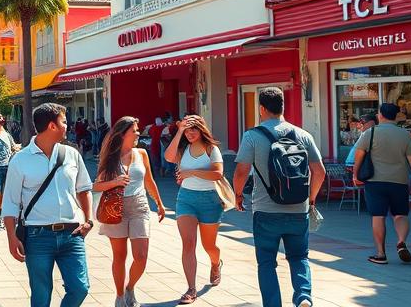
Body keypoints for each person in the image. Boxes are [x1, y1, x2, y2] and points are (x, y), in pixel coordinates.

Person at [233, 86, 325, 307]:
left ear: (261, 108)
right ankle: (303, 296)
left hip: (266, 210)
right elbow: (319, 171)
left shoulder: (252, 136)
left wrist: (238, 194)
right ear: (283, 106)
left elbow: (241, 172)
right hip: (298, 210)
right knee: (299, 257)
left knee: (266, 263)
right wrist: (311, 199)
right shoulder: (303, 135)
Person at [3, 103, 93, 307]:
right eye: (64, 122)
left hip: (72, 233)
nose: (68, 126)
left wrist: (88, 221)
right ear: (52, 126)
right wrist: (11, 237)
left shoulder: (71, 154)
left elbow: (84, 189)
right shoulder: (20, 160)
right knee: (41, 296)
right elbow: (10, 203)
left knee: (80, 288)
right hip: (37, 236)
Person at [94, 116, 165, 307]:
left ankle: (130, 287)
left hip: (139, 206)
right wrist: (115, 182)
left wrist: (159, 203)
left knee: (141, 256)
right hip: (115, 207)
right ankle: (119, 296)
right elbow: (96, 186)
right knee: (120, 256)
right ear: (123, 134)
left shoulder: (141, 153)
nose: (138, 133)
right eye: (134, 131)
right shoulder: (110, 156)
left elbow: (149, 180)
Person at [164, 115, 225, 303]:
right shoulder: (183, 149)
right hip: (186, 199)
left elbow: (217, 174)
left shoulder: (211, 149)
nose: (190, 133)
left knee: (209, 246)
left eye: (193, 129)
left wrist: (191, 172)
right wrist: (179, 131)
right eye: (187, 130)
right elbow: (168, 157)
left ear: (201, 129)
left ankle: (216, 263)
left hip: (210, 201)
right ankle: (191, 289)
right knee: (188, 244)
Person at [352, 102, 411, 264]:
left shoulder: (370, 133)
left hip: (375, 182)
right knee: (400, 215)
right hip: (399, 181)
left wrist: (356, 175)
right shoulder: (405, 135)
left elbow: (358, 157)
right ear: (396, 116)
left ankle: (381, 254)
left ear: (380, 115)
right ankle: (401, 241)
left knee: (378, 216)